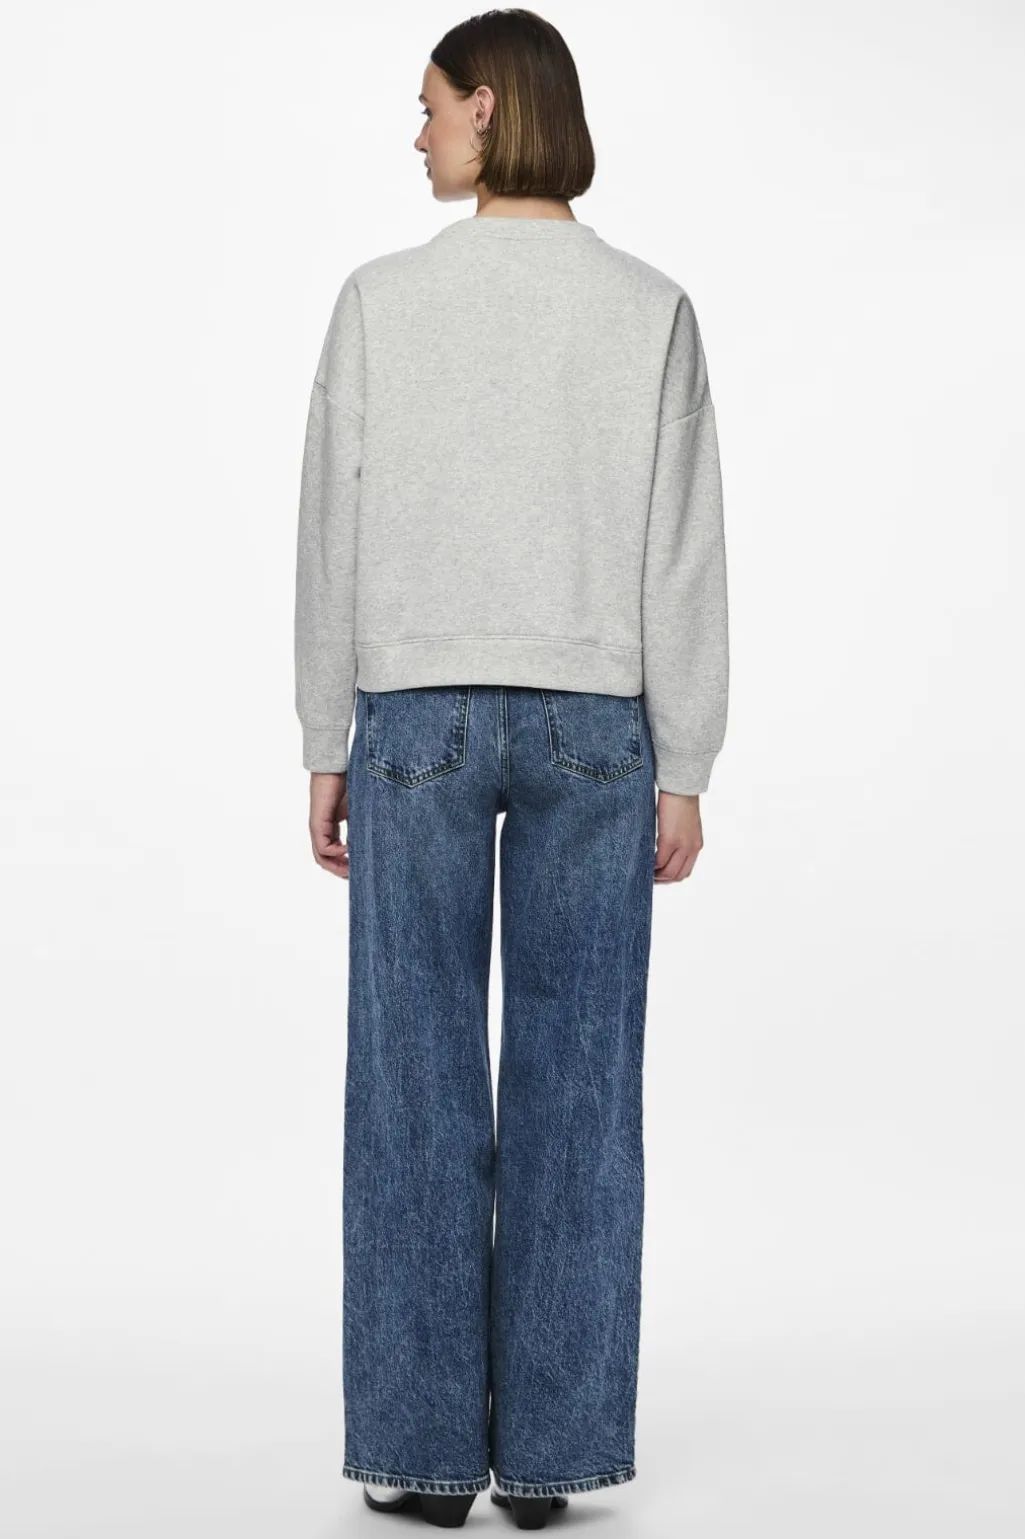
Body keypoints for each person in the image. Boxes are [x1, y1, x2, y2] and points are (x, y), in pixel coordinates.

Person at [293, 9, 728, 1530]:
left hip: (413, 721)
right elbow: (683, 549)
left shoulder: (379, 303)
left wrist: (326, 737)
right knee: (579, 1089)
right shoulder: (650, 308)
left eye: (427, 107)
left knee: (412, 1088)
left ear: (488, 109)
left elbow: (330, 534)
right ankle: (548, 1458)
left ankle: (424, 1457)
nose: (414, 133)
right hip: (595, 728)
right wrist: (686, 759)